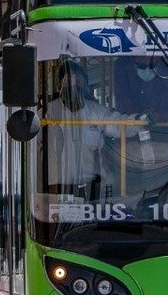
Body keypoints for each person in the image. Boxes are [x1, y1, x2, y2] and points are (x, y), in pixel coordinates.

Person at [41, 60, 145, 200]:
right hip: (56, 189)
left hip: (92, 188)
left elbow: (118, 125)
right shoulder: (47, 114)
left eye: (79, 84)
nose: (75, 88)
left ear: (85, 87)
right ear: (60, 85)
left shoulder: (96, 112)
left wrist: (140, 121)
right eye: (70, 82)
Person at [114, 54, 168, 122]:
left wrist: (158, 116)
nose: (147, 58)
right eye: (142, 58)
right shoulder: (122, 65)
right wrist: (138, 118)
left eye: (152, 60)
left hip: (167, 130)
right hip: (129, 127)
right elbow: (123, 99)